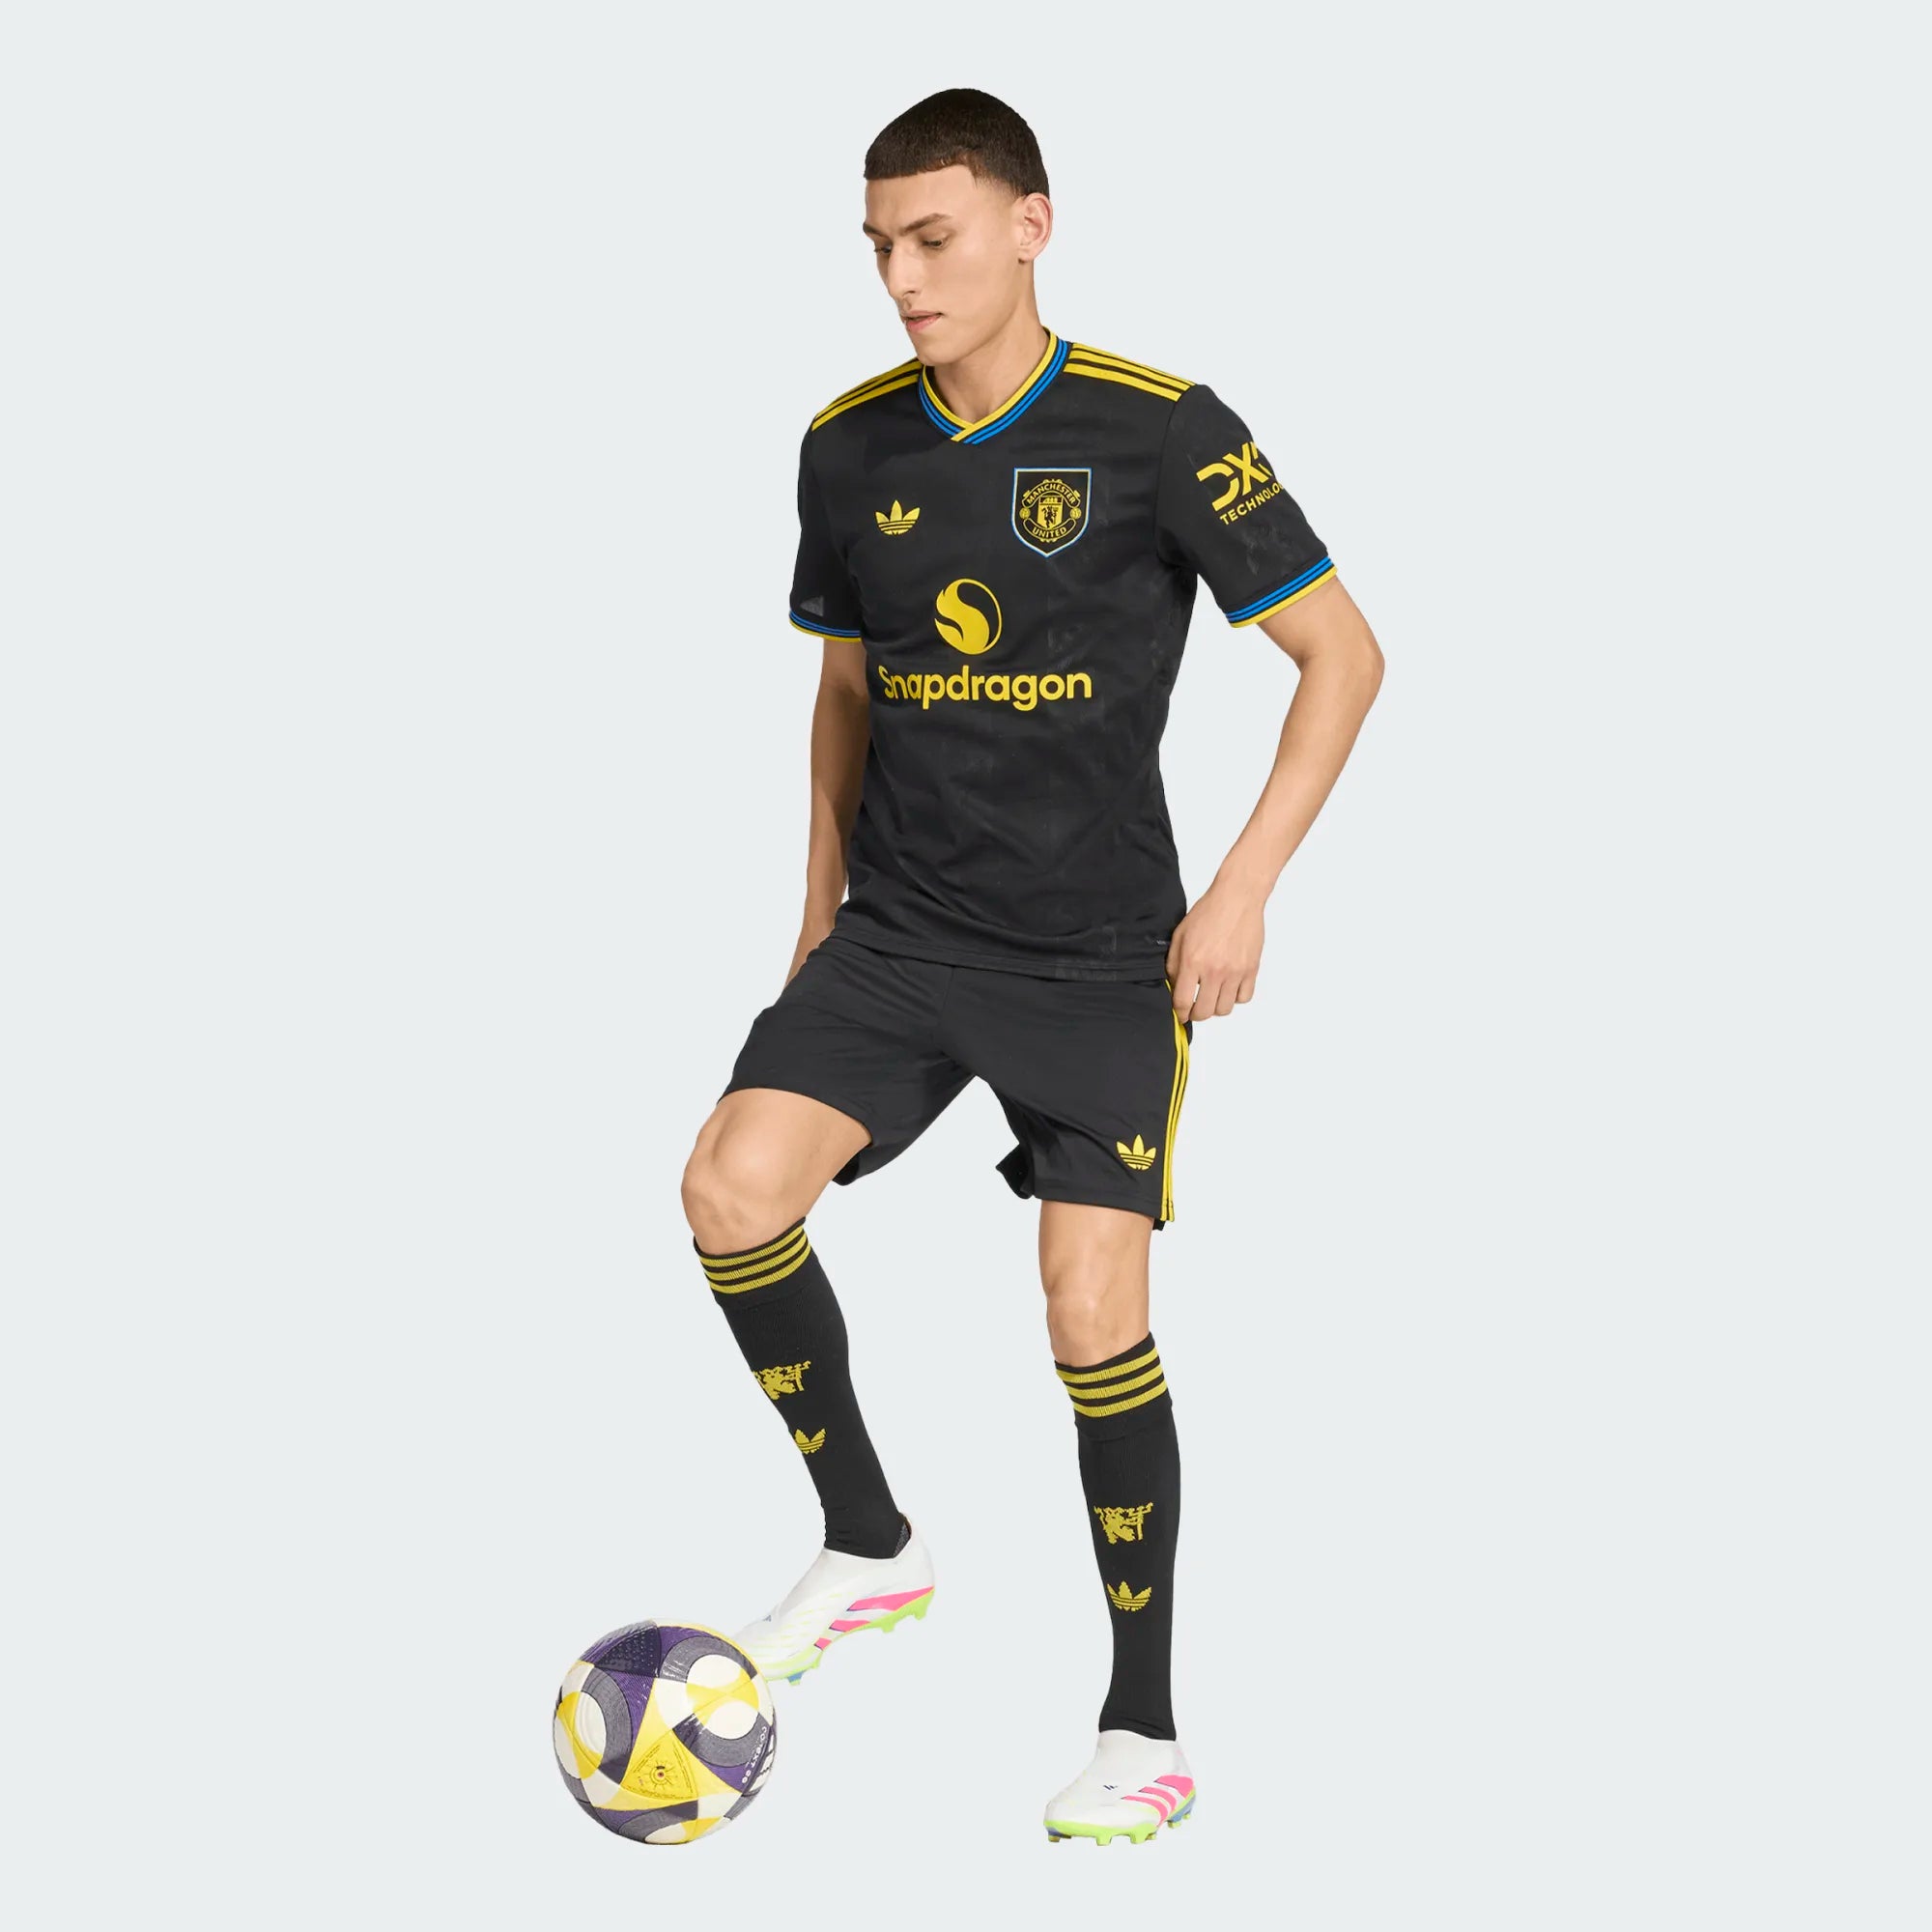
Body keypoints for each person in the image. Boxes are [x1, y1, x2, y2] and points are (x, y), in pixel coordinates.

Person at [680, 86, 1384, 1844]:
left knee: (1088, 1310)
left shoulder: (1160, 430)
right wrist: (816, 908)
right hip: (905, 933)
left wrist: (1242, 894)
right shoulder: (847, 447)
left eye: (932, 239)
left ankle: (1143, 1727)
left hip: (1097, 956)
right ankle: (869, 1545)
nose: (902, 280)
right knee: (729, 1188)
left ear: (1029, 225)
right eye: (878, 248)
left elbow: (1345, 656)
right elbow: (843, 691)